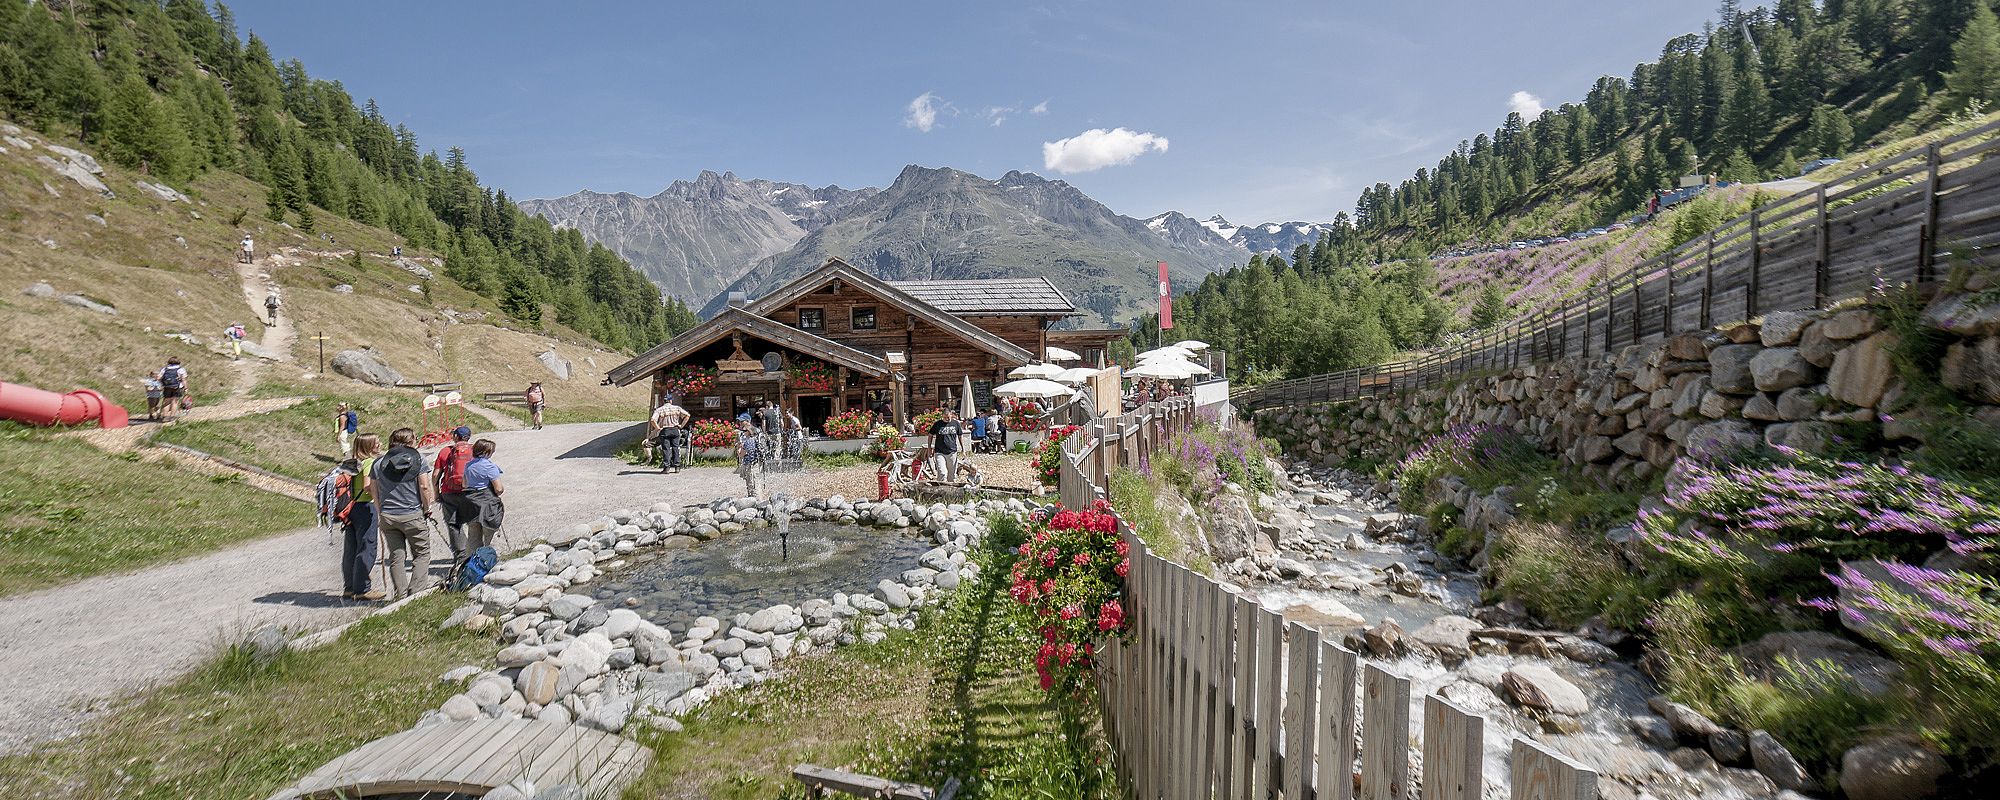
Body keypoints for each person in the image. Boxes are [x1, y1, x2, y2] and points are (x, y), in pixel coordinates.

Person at [370, 427, 437, 598]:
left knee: (396, 557)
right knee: (422, 553)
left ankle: (400, 594)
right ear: (410, 442)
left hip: (388, 516)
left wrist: (380, 512)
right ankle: (415, 593)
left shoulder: (378, 463)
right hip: (412, 513)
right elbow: (423, 486)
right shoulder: (418, 459)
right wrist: (427, 507)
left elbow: (374, 491)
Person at [342, 433, 386, 601]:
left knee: (351, 549)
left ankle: (349, 587)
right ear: (369, 447)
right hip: (365, 506)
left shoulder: (351, 463)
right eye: (376, 443)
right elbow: (368, 486)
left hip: (350, 507)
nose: (380, 444)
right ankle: (363, 589)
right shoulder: (368, 462)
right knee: (367, 547)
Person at [432, 426, 476, 564]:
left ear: (455, 436)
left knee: (453, 524)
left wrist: (436, 493)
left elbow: (435, 475)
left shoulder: (446, 451)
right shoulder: (475, 450)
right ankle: (475, 553)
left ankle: (460, 556)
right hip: (471, 491)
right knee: (474, 522)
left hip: (449, 492)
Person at [460, 439, 505, 558]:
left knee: (473, 537)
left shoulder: (468, 465)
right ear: (487, 452)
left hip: (471, 503)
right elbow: (499, 489)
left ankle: (472, 564)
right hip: (487, 504)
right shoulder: (490, 467)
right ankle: (492, 563)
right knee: (491, 534)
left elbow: (464, 484)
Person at [648, 396, 691, 472]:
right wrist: (681, 426)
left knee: (666, 449)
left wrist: (657, 428)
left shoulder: (659, 410)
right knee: (676, 448)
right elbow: (687, 415)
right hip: (675, 429)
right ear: (671, 401)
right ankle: (677, 466)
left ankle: (666, 467)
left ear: (663, 401)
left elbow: (652, 420)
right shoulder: (677, 408)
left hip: (665, 430)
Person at [929, 408, 965, 484]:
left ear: (951, 415)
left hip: (952, 451)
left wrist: (963, 449)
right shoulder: (937, 424)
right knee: (942, 472)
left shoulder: (956, 423)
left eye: (948, 417)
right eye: (945, 417)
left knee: (951, 475)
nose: (947, 419)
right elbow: (930, 435)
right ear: (942, 416)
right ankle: (941, 489)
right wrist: (929, 448)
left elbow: (960, 435)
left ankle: (951, 492)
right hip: (939, 452)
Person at [735, 418, 765, 498]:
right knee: (754, 483)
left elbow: (741, 454)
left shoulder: (748, 442)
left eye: (744, 431)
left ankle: (757, 502)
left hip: (750, 465)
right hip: (755, 464)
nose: (742, 432)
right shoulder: (754, 440)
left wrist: (738, 447)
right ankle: (754, 500)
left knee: (753, 484)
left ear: (749, 432)